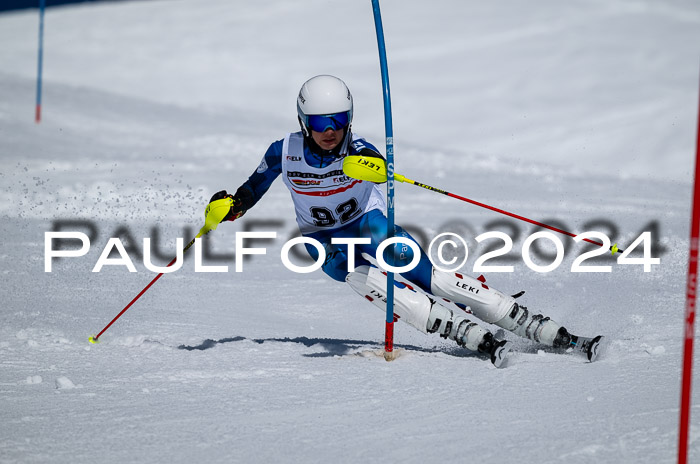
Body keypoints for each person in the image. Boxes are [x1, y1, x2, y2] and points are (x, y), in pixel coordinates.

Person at [210, 74, 602, 367]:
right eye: (319, 122)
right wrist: (232, 206)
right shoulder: (285, 151)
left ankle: (542, 329)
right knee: (368, 280)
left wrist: (371, 167)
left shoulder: (357, 147)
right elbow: (252, 188)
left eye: (338, 119)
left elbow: (379, 166)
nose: (330, 131)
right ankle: (465, 333)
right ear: (302, 121)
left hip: (368, 224)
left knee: (432, 277)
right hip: (325, 242)